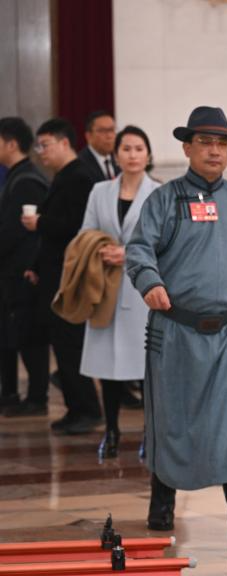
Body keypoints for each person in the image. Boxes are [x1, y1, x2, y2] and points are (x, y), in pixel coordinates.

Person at [126, 106, 227, 542]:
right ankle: (162, 504)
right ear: (187, 148)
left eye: (223, 144)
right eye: (206, 143)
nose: (215, 151)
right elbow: (139, 250)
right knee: (172, 417)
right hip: (176, 328)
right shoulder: (164, 198)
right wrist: (149, 282)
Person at [78, 125, 159, 459]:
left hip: (142, 289)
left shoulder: (158, 193)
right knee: (108, 368)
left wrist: (127, 253)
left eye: (139, 148)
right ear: (117, 154)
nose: (132, 155)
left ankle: (149, 433)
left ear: (148, 155)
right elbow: (85, 231)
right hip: (106, 285)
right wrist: (103, 249)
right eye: (126, 148)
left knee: (144, 368)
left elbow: (163, 241)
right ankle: (111, 431)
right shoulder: (100, 191)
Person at [22, 118, 103, 434]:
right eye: (38, 146)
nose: (41, 152)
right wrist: (38, 266)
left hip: (71, 278)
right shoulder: (63, 176)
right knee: (62, 344)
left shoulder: (81, 177)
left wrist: (40, 223)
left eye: (45, 145)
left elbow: (77, 228)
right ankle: (75, 407)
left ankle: (87, 409)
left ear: (65, 143)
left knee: (71, 345)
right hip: (56, 273)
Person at [0, 117, 49, 417]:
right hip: (14, 270)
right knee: (14, 332)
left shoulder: (27, 181)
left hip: (25, 271)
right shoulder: (18, 176)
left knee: (30, 335)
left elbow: (16, 232)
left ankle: (37, 397)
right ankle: (12, 393)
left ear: (11, 143)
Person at [77, 110, 119, 184]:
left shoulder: (119, 160)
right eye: (102, 131)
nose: (109, 136)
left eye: (112, 130)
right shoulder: (79, 164)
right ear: (88, 136)